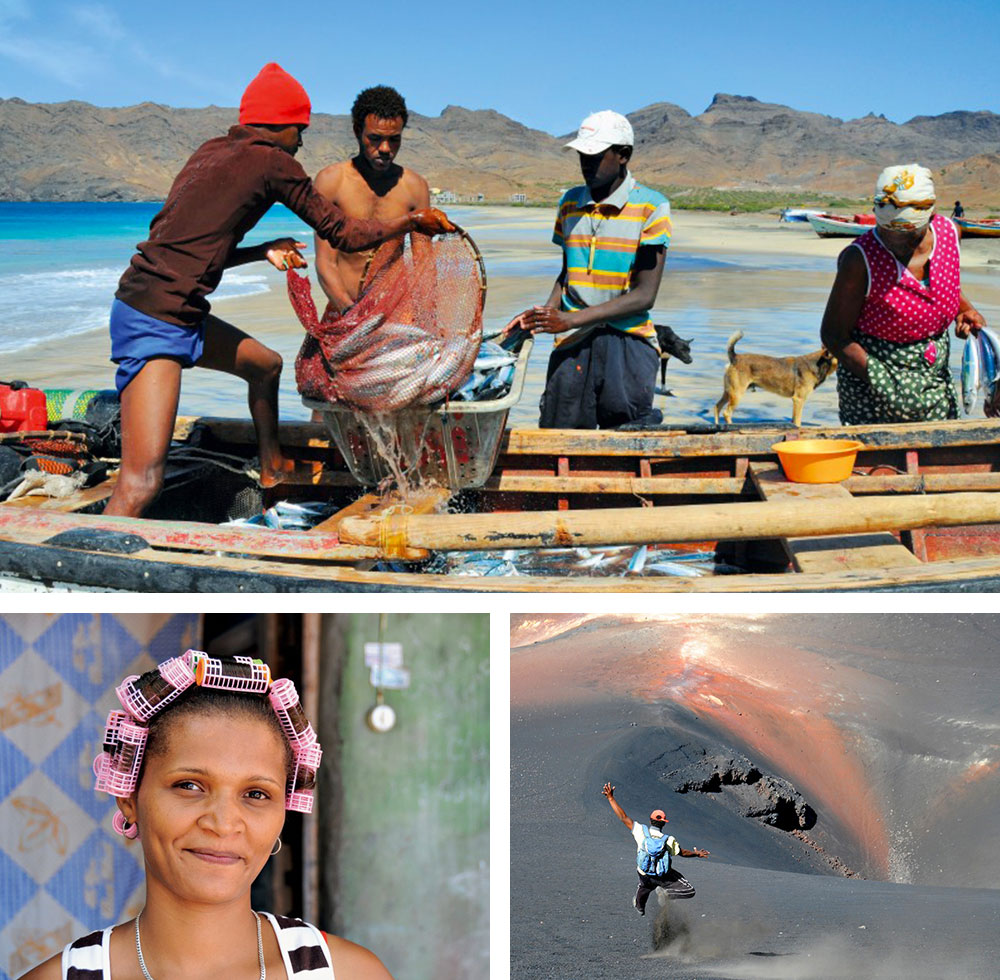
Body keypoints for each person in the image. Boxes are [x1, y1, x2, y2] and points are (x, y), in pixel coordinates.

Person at [103, 63, 453, 518]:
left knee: (265, 366)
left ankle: (271, 469)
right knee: (142, 482)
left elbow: (188, 249)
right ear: (281, 126)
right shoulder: (274, 162)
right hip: (155, 319)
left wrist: (262, 249)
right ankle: (83, 567)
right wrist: (409, 222)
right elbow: (342, 232)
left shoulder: (209, 151)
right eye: (299, 130)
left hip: (176, 310)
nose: (301, 141)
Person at [20, 651, 393, 980]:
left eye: (256, 794)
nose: (222, 823)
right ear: (129, 796)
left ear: (284, 811)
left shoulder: (349, 974)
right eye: (189, 786)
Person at [507, 110, 672, 429]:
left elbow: (645, 296)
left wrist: (569, 319)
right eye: (583, 154)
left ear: (623, 155)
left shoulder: (651, 207)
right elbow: (568, 273)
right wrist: (542, 314)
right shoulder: (570, 203)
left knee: (625, 442)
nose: (586, 163)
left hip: (628, 342)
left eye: (595, 155)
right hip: (573, 341)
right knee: (561, 436)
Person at [820, 164, 995, 423]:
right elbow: (833, 334)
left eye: (908, 233)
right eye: (888, 232)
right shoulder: (859, 260)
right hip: (874, 390)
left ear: (931, 215)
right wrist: (887, 382)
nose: (896, 241)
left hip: (935, 383)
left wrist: (964, 310)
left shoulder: (949, 235)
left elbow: (943, 286)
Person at [313, 85, 431, 315]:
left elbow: (424, 265)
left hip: (397, 313)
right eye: (375, 139)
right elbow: (325, 263)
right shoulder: (331, 181)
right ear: (358, 131)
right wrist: (350, 313)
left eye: (394, 139)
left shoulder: (415, 187)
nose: (385, 148)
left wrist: (426, 315)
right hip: (343, 311)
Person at [601, 782, 709, 916]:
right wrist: (697, 853)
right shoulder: (668, 839)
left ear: (650, 820)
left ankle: (640, 907)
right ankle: (666, 893)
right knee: (689, 890)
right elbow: (683, 853)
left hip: (644, 874)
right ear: (664, 823)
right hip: (662, 876)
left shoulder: (640, 831)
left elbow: (623, 817)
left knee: (644, 887)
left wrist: (611, 798)